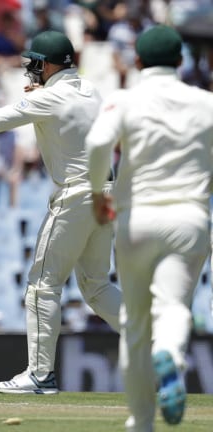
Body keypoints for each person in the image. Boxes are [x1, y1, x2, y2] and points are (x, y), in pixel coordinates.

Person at [0, 30, 122, 395]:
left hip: (75, 196)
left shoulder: (52, 98)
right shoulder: (90, 90)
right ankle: (154, 340)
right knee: (96, 286)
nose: (32, 72)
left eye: (36, 65)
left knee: (41, 285)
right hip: (106, 193)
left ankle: (40, 375)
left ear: (49, 65)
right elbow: (66, 114)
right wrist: (41, 96)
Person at [86, 25, 213, 431]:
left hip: (136, 220)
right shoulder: (206, 103)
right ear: (180, 61)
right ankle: (173, 355)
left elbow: (97, 144)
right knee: (174, 306)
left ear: (137, 62)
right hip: (189, 219)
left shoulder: (125, 99)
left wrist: (95, 192)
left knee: (136, 326)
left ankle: (141, 422)